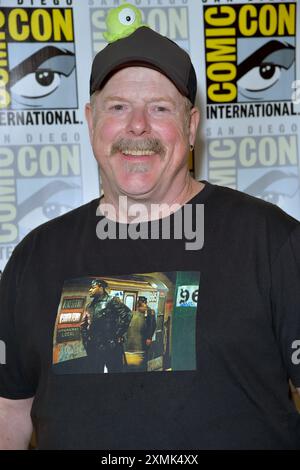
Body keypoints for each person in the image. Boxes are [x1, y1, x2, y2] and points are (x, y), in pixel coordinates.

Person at [0, 5, 300, 450]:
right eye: (118, 107)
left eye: (159, 108)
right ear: (90, 120)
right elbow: (9, 414)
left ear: (191, 125)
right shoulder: (34, 259)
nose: (137, 126)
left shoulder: (274, 242)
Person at [80, 279, 132, 373]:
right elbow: (83, 324)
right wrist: (86, 341)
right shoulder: (89, 306)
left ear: (101, 287)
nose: (90, 290)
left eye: (93, 287)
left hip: (111, 346)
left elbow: (127, 314)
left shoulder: (112, 301)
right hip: (94, 347)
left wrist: (117, 335)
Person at [125, 296, 156, 371]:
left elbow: (152, 325)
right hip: (138, 342)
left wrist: (149, 337)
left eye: (144, 304)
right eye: (142, 305)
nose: (144, 307)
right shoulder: (135, 314)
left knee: (143, 359)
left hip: (143, 340)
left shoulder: (149, 313)